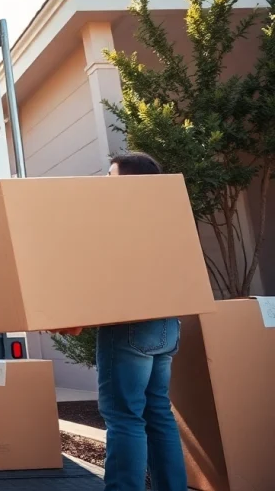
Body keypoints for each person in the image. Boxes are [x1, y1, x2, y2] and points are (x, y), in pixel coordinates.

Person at [54, 152, 186, 491]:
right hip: (167, 324)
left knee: (124, 416)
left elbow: (105, 275)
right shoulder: (165, 218)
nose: (106, 183)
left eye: (111, 176)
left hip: (129, 327)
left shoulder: (121, 220)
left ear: (128, 182)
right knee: (158, 414)